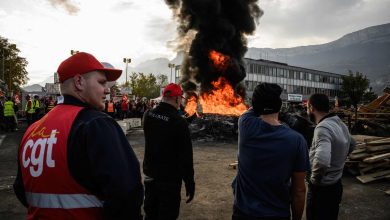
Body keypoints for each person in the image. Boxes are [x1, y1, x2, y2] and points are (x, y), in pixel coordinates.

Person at [13, 52, 143, 219]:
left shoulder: (32, 130)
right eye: (101, 82)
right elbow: (127, 194)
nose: (107, 90)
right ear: (79, 82)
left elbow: (21, 189)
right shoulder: (96, 124)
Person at [232, 83, 309, 220]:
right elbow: (299, 190)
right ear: (279, 105)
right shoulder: (297, 141)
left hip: (243, 213)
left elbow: (254, 108)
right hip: (277, 213)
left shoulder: (245, 124)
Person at [142, 83, 195, 220]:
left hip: (150, 178)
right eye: (180, 100)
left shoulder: (148, 115)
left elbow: (162, 128)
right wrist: (189, 183)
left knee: (150, 215)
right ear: (177, 99)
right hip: (169, 182)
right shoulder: (179, 123)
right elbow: (186, 158)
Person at [306, 93, 355, 220]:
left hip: (322, 189)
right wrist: (338, 160)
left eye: (307, 107)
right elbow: (352, 144)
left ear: (311, 108)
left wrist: (314, 180)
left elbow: (322, 161)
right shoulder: (340, 123)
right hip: (336, 185)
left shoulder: (322, 128)